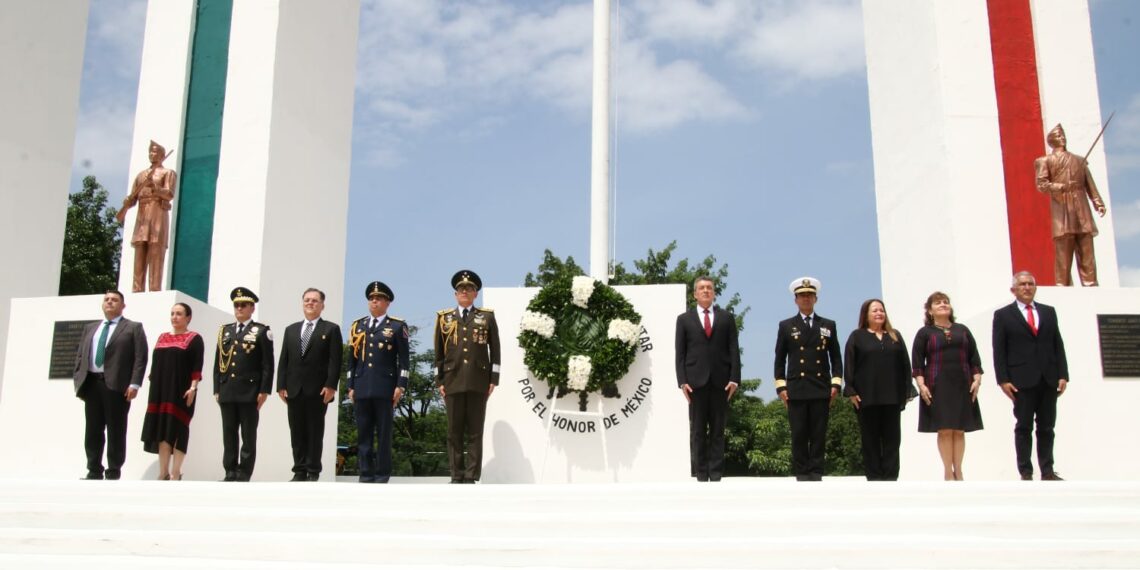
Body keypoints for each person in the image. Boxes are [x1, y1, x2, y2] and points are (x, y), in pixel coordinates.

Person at [992, 271, 1069, 481]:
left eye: (1030, 284)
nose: (1027, 287)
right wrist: (1003, 379)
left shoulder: (1048, 312)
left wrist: (1063, 374)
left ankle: (1048, 470)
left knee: (1047, 427)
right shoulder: (1003, 315)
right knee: (1023, 426)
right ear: (1013, 289)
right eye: (1022, 284)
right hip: (1021, 379)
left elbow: (1057, 344)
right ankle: (1026, 472)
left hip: (1048, 377)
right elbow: (999, 350)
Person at [73, 290, 148, 480]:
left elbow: (140, 358)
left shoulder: (133, 327)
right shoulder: (91, 328)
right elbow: (81, 355)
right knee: (93, 429)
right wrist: (78, 380)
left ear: (123, 306)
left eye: (114, 300)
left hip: (117, 386)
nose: (110, 302)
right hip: (92, 383)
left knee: (116, 429)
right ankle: (94, 469)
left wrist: (135, 384)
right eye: (106, 300)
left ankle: (114, 470)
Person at [434, 270, 500, 484]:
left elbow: (495, 350)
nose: (465, 292)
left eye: (469, 289)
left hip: (478, 380)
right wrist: (439, 381)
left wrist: (494, 379)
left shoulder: (486, 316)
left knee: (475, 431)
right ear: (455, 294)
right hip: (452, 380)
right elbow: (438, 354)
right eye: (461, 289)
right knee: (454, 431)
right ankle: (456, 474)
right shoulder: (444, 318)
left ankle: (471, 475)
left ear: (475, 293)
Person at [773, 277, 842, 481]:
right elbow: (779, 359)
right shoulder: (786, 326)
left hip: (821, 387)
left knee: (819, 433)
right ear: (795, 300)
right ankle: (802, 473)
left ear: (816, 299)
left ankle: (817, 472)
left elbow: (836, 357)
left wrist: (836, 384)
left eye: (809, 295)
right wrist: (781, 387)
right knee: (799, 433)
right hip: (797, 387)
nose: (806, 299)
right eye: (802, 296)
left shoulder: (828, 325)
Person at [675, 276, 741, 482]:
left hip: (721, 382)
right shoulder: (684, 319)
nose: (705, 291)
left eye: (709, 288)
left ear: (714, 293)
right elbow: (680, 353)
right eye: (701, 288)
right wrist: (682, 381)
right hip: (695, 383)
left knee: (718, 430)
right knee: (697, 430)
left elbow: (733, 350)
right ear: (695, 294)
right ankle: (701, 473)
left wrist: (735, 378)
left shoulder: (726, 318)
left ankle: (716, 472)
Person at [912, 291, 984, 481]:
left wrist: (977, 379)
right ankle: (947, 472)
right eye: (938, 303)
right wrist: (922, 385)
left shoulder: (963, 330)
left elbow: (974, 358)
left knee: (959, 429)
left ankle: (958, 471)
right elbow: (917, 363)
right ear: (930, 310)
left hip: (962, 383)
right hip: (937, 384)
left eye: (945, 302)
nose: (943, 304)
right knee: (944, 429)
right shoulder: (925, 333)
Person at [843, 299, 914, 481]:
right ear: (866, 314)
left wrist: (907, 390)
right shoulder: (857, 336)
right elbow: (849, 365)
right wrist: (851, 390)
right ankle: (874, 478)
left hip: (892, 396)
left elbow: (905, 364)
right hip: (866, 397)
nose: (879, 313)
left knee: (892, 440)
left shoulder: (894, 335)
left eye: (881, 310)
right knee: (870, 440)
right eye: (874, 310)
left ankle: (891, 478)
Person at [277, 288, 344, 482]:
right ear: (302, 303)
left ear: (322, 305)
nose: (310, 303)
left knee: (315, 431)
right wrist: (281, 385)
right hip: (293, 389)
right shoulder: (291, 329)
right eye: (307, 300)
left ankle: (313, 470)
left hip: (318, 390)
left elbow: (335, 361)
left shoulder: (330, 329)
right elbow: (284, 359)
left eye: (315, 300)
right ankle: (299, 470)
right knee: (296, 431)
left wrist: (331, 385)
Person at [345, 282, 408, 483]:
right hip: (362, 386)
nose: (374, 301)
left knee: (383, 435)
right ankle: (365, 474)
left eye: (379, 298)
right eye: (371, 298)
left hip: (385, 387)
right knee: (363, 434)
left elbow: (404, 360)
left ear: (387, 302)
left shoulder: (397, 326)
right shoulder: (358, 326)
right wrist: (350, 385)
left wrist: (401, 385)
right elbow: (351, 359)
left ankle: (381, 475)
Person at [1034, 123, 1107, 286]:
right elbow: (1042, 185)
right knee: (1064, 253)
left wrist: (1098, 202)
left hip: (1081, 208)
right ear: (1051, 140)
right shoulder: (1044, 161)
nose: (1062, 138)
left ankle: (1090, 284)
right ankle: (1063, 285)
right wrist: (1059, 186)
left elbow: (1090, 185)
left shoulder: (1079, 160)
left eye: (1063, 135)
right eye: (1058, 136)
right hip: (1062, 207)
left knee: (1086, 249)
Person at [213, 287, 274, 482]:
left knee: (248, 435)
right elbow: (218, 362)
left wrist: (264, 390)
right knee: (229, 433)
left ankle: (244, 472)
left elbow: (267, 364)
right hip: (227, 389)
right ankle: (229, 470)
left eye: (243, 305)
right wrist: (217, 388)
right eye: (236, 305)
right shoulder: (225, 331)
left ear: (252, 308)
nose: (239, 308)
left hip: (250, 391)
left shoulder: (261, 331)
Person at [140, 302, 203, 480]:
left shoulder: (194, 338)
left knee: (178, 430)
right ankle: (163, 472)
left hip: (181, 391)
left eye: (179, 314)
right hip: (160, 390)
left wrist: (193, 388)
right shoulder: (162, 338)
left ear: (188, 317)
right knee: (162, 430)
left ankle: (176, 472)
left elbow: (197, 366)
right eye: (172, 313)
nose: (175, 317)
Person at [116, 140, 176, 293]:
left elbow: (169, 194)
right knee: (140, 249)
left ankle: (154, 289)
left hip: (157, 212)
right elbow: (132, 199)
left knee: (156, 250)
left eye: (155, 151)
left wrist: (155, 187)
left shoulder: (167, 173)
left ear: (162, 155)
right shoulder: (141, 175)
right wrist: (127, 202)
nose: (152, 154)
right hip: (142, 215)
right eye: (150, 151)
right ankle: (137, 289)